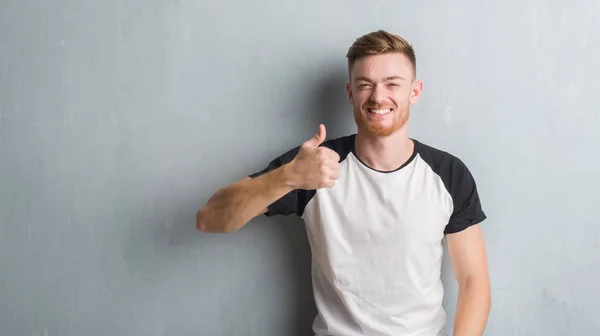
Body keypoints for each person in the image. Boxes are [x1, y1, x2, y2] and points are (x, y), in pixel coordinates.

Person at [196, 30, 491, 336]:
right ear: (351, 93)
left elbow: (474, 282)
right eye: (366, 85)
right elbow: (209, 218)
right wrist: (289, 177)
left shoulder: (448, 174)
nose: (378, 97)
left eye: (393, 84)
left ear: (414, 92)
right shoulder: (311, 165)